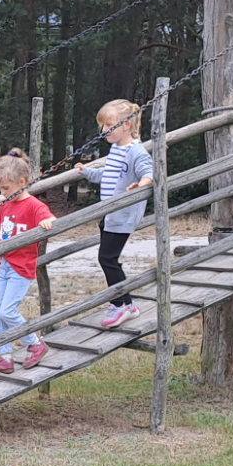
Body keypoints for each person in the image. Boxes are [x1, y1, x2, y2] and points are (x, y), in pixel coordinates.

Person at [74, 99, 154, 328]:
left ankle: (121, 304)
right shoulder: (116, 149)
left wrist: (142, 184)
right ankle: (126, 302)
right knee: (109, 259)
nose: (103, 131)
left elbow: (148, 170)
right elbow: (107, 176)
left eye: (109, 125)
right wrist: (87, 172)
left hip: (122, 215)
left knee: (107, 258)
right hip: (109, 214)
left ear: (127, 125)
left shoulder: (135, 150)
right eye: (102, 125)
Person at [0, 149, 56, 373]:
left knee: (7, 312)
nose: (2, 193)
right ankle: (5, 358)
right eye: (0, 189)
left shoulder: (33, 205)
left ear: (22, 182)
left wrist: (47, 223)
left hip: (21, 268)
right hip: (4, 265)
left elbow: (48, 217)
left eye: (6, 188)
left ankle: (36, 344)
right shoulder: (5, 203)